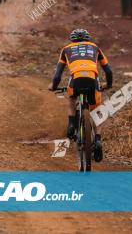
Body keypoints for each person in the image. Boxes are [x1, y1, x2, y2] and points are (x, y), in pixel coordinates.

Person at [48, 29, 113, 163]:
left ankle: (71, 124)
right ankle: (98, 139)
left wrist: (54, 86)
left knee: (72, 98)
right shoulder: (95, 47)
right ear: (87, 39)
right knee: (96, 111)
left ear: (72, 40)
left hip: (76, 80)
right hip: (92, 80)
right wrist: (109, 84)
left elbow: (57, 75)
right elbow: (108, 70)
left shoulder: (66, 49)